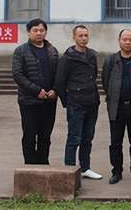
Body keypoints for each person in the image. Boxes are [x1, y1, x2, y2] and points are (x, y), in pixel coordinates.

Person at [102, 29, 131, 184]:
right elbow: (105, 82)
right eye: (124, 39)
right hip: (117, 107)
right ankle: (116, 171)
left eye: (130, 39)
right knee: (115, 142)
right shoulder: (110, 60)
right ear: (119, 41)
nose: (127, 42)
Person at [55, 25, 102, 179]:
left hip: (91, 102)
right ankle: (70, 170)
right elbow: (60, 83)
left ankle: (85, 168)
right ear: (74, 37)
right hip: (76, 104)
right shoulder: (67, 58)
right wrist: (68, 102)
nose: (83, 38)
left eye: (86, 35)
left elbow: (94, 75)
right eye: (80, 35)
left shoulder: (92, 55)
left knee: (88, 137)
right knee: (74, 138)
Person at [11, 18, 59, 165]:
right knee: (30, 135)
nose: (39, 33)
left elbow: (59, 74)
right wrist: (36, 90)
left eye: (42, 30)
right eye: (35, 30)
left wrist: (55, 90)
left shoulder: (52, 51)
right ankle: (30, 167)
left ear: (46, 32)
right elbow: (18, 75)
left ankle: (43, 165)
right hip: (29, 102)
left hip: (49, 101)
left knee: (45, 136)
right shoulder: (21, 51)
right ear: (28, 32)